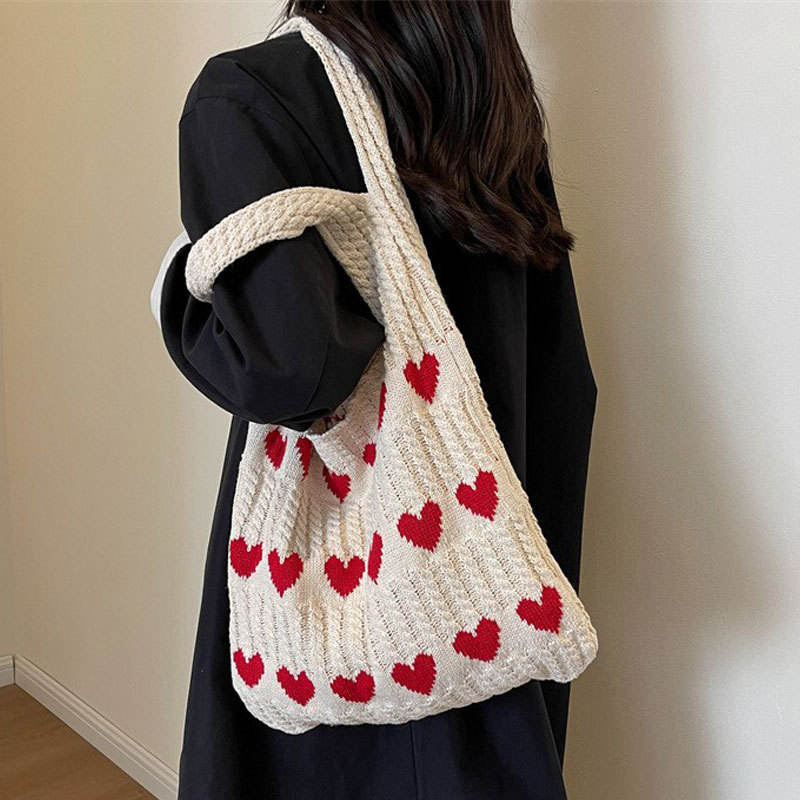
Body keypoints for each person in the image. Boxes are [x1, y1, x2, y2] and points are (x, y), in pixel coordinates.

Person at [154, 2, 597, 797]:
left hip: (330, 667)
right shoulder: (491, 107)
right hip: (483, 617)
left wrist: (180, 303)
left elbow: (294, 374)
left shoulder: (251, 94)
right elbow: (567, 384)